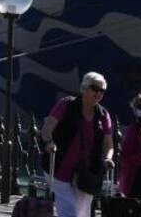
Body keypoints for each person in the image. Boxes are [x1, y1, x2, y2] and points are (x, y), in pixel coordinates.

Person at [41, 72, 115, 217]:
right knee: (70, 212)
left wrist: (108, 157)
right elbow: (47, 128)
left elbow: (109, 144)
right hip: (59, 168)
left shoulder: (103, 115)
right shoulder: (66, 105)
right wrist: (49, 142)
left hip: (86, 174)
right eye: (95, 88)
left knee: (83, 213)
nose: (98, 93)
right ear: (84, 88)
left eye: (102, 91)